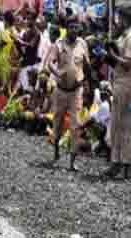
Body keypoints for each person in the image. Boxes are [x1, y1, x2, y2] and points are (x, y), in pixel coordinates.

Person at [105, 7, 131, 179]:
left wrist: (112, 54)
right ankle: (118, 162)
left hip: (125, 82)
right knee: (117, 125)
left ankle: (123, 164)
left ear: (126, 19)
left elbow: (128, 63)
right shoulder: (124, 36)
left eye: (120, 18)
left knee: (124, 125)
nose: (118, 21)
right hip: (119, 81)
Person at [48, 21, 88, 170]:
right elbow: (50, 63)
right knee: (57, 123)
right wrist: (57, 72)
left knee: (76, 125)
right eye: (71, 27)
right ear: (67, 29)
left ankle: (73, 161)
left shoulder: (83, 44)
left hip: (76, 91)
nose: (74, 30)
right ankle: (56, 153)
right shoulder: (58, 45)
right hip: (61, 91)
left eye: (76, 27)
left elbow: (87, 64)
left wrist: (89, 82)